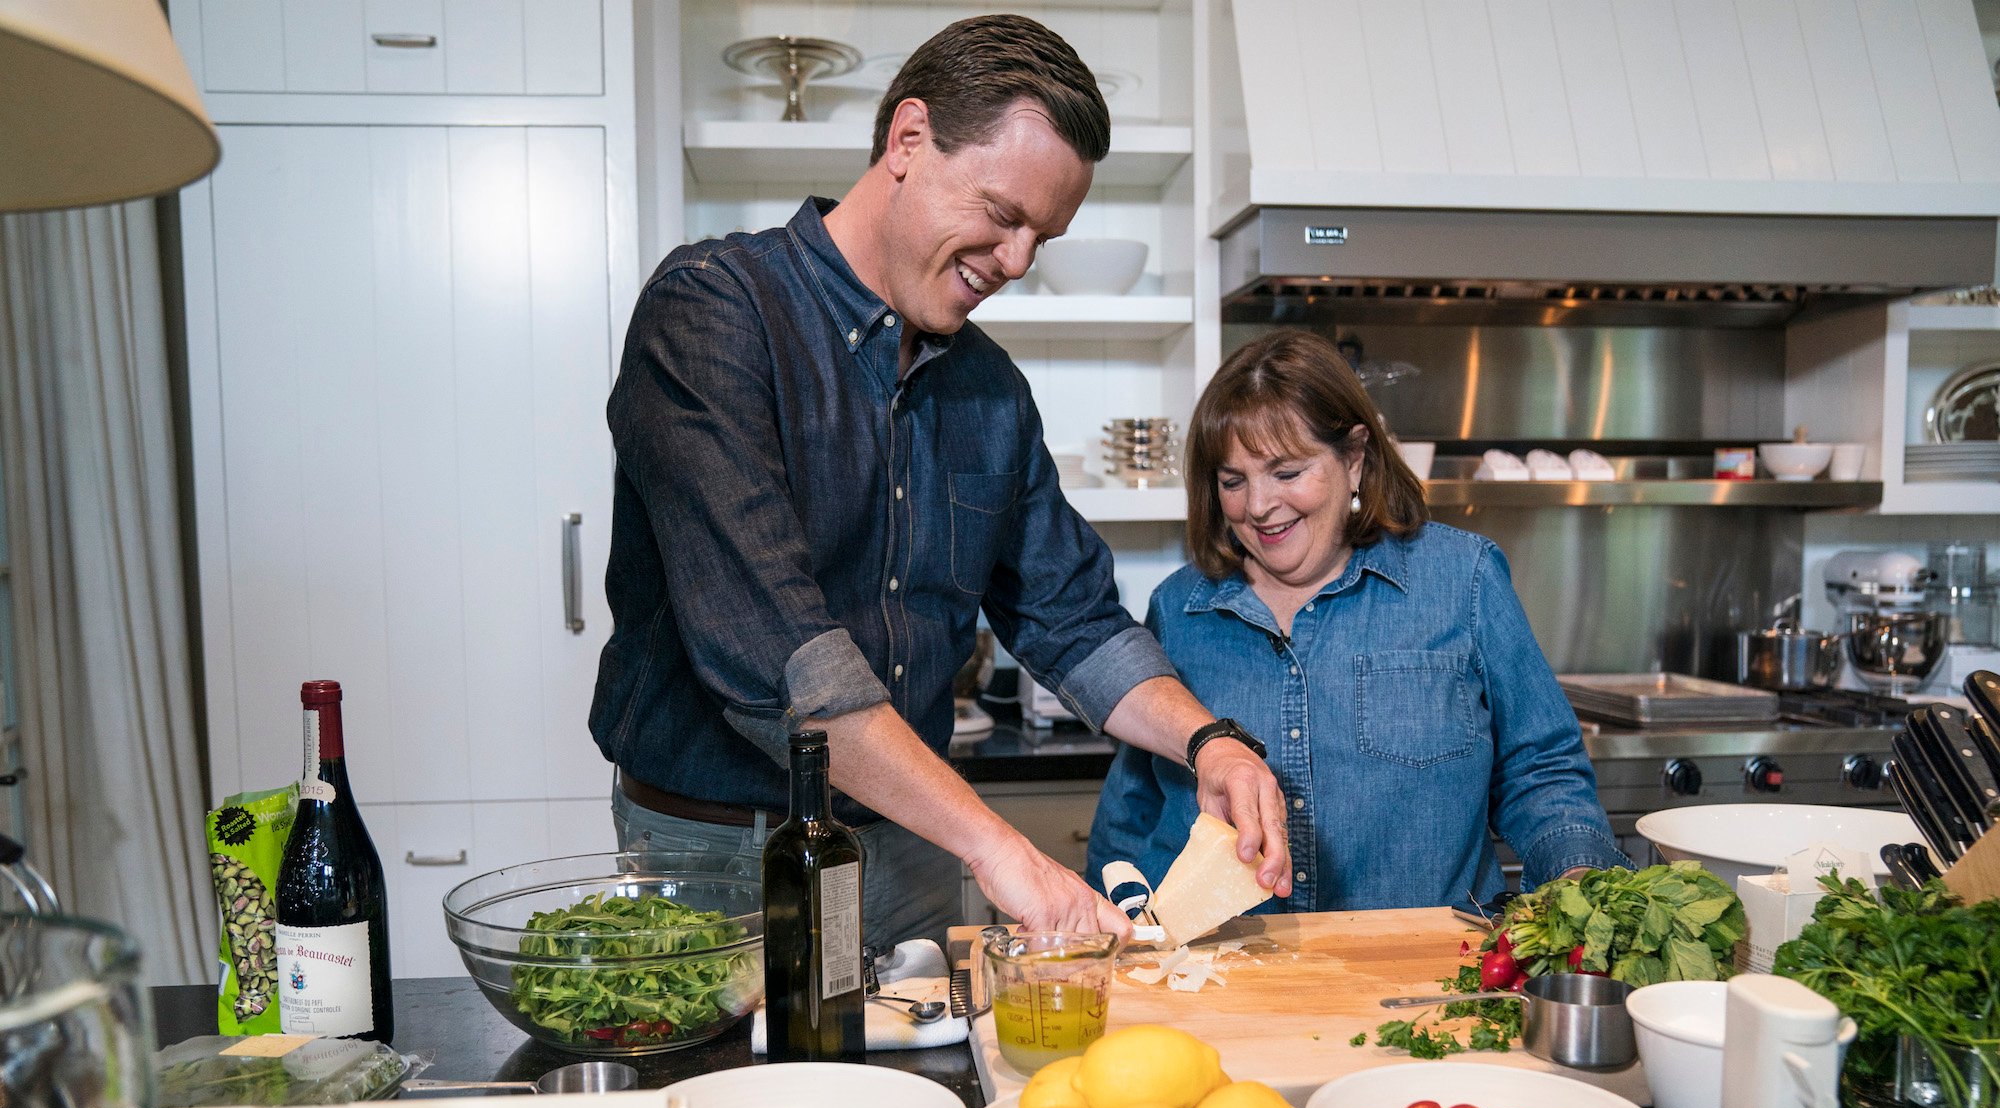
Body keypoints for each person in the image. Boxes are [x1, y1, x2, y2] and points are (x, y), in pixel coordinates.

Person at [593, 15, 1290, 950]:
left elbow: (1073, 620)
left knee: (920, 1090)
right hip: (717, 859)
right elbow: (787, 665)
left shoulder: (990, 389)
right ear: (909, 140)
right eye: (1003, 215)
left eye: (1042, 236)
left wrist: (1211, 741)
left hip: (911, 849)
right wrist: (997, 845)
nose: (1015, 263)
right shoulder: (714, 312)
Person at [1087, 330, 1627, 911]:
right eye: (1233, 481)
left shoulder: (1461, 579)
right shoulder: (1179, 607)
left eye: (1287, 473)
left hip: (1427, 978)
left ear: (1354, 459)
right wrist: (1108, 924)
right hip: (1228, 981)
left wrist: (1576, 878)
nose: (1260, 505)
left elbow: (1541, 768)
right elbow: (1134, 807)